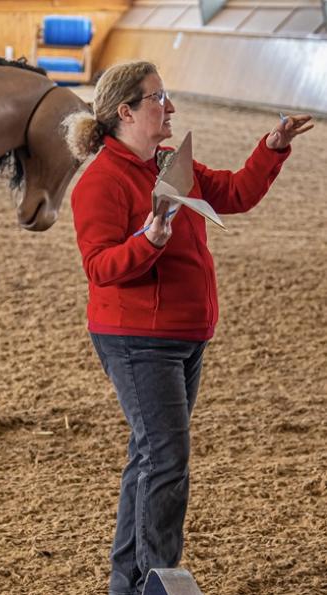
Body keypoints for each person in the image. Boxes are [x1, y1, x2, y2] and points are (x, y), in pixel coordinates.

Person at [62, 61, 313, 595]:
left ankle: (130, 583)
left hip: (182, 334)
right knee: (166, 459)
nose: (169, 106)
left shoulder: (171, 165)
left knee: (151, 456)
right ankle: (159, 579)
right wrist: (148, 242)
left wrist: (272, 147)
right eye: (158, 97)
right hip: (137, 339)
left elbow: (236, 193)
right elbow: (101, 268)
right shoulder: (99, 183)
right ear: (126, 112)